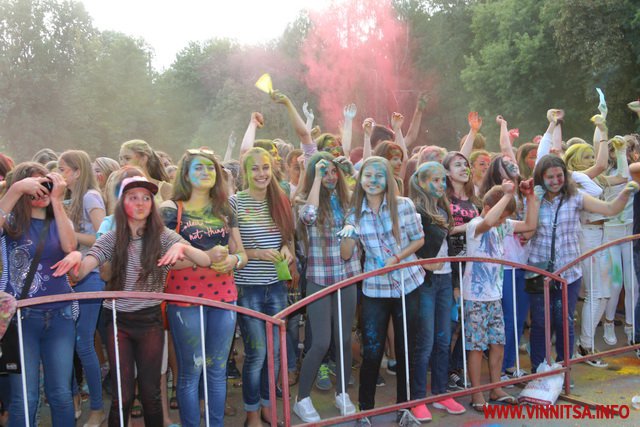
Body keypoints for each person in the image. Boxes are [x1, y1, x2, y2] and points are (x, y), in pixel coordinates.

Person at [53, 176, 211, 427]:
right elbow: (81, 272)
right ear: (122, 202)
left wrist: (184, 249)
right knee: (122, 394)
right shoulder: (112, 237)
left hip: (150, 319)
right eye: (133, 197)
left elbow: (204, 260)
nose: (140, 203)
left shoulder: (163, 235)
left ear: (152, 203)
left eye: (146, 198)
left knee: (151, 393)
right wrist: (74, 256)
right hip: (117, 321)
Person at [527, 155, 639, 374]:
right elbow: (527, 228)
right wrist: (532, 200)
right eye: (550, 177)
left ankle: (563, 371)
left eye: (560, 175)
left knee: (564, 321)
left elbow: (609, 209)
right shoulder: (533, 198)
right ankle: (538, 371)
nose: (556, 180)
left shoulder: (576, 197)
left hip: (569, 271)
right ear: (541, 177)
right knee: (540, 323)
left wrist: (626, 193)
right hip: (538, 270)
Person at [160, 149, 246, 426]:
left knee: (217, 369)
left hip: (224, 297)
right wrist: (205, 260)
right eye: (199, 168)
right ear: (185, 173)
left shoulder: (225, 208)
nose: (206, 173)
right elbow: (165, 262)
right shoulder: (170, 209)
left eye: (211, 168)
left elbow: (241, 253)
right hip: (185, 300)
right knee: (191, 370)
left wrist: (233, 260)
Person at [340, 156, 425, 420]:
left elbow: (419, 239)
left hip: (406, 284)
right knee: (373, 350)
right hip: (375, 288)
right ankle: (365, 410)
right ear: (360, 179)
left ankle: (404, 408)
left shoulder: (403, 205)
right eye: (368, 175)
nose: (373, 180)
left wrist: (397, 258)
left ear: (387, 179)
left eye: (378, 175)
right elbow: (346, 255)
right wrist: (347, 234)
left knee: (405, 349)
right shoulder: (353, 213)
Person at [0, 162, 78, 426]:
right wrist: (15, 190)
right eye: (33, 187)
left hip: (60, 315)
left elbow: (70, 245)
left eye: (44, 185)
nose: (40, 192)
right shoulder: (10, 222)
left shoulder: (57, 217)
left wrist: (57, 200)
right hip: (22, 318)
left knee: (61, 394)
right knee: (26, 396)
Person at [292, 152, 360, 422]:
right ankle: (302, 398)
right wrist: (317, 178)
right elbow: (308, 217)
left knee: (343, 339)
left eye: (333, 172)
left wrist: (348, 170)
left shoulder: (348, 200)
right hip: (319, 277)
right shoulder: (303, 200)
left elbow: (365, 200)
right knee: (320, 341)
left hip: (348, 276)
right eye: (324, 172)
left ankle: (342, 392)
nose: (331, 176)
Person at [230, 147, 294, 427]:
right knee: (256, 353)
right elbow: (234, 251)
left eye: (265, 167)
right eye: (255, 168)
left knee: (276, 353)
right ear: (245, 172)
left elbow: (288, 240)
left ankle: (269, 408)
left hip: (277, 286)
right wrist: (257, 253)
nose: (261, 173)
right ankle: (252, 414)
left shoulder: (281, 200)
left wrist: (286, 249)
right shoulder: (234, 203)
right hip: (249, 288)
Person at [464, 180, 539, 411]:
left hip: (494, 296)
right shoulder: (475, 224)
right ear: (489, 206)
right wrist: (506, 195)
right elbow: (487, 221)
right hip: (475, 297)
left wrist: (530, 197)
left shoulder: (501, 225)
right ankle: (477, 393)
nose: (503, 221)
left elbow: (529, 224)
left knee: (497, 343)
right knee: (476, 347)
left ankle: (495, 387)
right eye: (502, 216)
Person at [408, 161, 466, 421]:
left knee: (444, 340)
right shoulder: (414, 210)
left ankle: (441, 394)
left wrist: (454, 282)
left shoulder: (444, 207)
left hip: (444, 282)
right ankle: (418, 398)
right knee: (426, 342)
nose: (441, 185)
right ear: (420, 183)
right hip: (425, 282)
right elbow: (409, 246)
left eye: (443, 180)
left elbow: (451, 249)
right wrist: (424, 263)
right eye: (434, 180)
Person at [58, 150, 108, 426]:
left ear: (77, 171)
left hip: (90, 274)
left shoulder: (90, 195)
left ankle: (98, 409)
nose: (60, 173)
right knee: (68, 342)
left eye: (63, 168)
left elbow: (103, 236)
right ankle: (74, 398)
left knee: (83, 343)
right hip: (70, 276)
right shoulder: (69, 198)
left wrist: (66, 232)